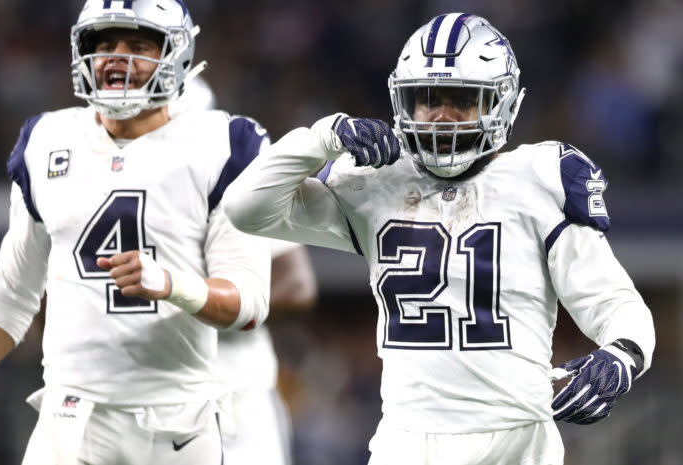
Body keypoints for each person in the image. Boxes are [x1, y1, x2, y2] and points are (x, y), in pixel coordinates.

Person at [223, 12, 656, 465]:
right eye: (427, 99)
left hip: (515, 441)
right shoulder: (376, 182)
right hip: (406, 440)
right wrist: (320, 138)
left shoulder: (539, 180)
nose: (441, 116)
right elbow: (246, 209)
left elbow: (614, 301)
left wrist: (622, 355)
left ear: (501, 103)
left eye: (461, 100)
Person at [0, 1, 272, 464]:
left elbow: (248, 304)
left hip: (179, 423)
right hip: (71, 417)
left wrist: (170, 284)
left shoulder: (224, 145)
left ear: (176, 54)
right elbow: (14, 290)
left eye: (138, 45)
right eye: (104, 44)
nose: (116, 58)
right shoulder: (46, 140)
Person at [172, 76, 319, 465]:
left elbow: (297, 284)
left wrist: (189, 297)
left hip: (234, 393)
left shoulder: (235, 179)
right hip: (141, 395)